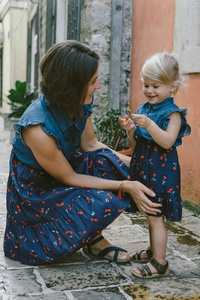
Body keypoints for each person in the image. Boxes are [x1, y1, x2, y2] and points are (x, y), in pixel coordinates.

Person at [4, 40, 161, 265]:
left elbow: (91, 145)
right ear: (72, 86)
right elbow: (69, 178)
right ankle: (90, 237)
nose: (98, 87)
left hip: (65, 170)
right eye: (93, 82)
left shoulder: (79, 101)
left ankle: (91, 238)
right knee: (102, 198)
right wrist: (126, 185)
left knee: (108, 162)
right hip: (36, 191)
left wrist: (140, 164)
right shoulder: (37, 128)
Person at [119, 52, 191, 278]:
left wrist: (149, 124)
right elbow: (136, 144)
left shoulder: (173, 114)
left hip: (161, 172)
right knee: (150, 215)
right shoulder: (144, 108)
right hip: (145, 169)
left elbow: (167, 141)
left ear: (172, 87)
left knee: (155, 216)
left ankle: (160, 263)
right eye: (146, 85)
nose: (149, 90)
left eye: (156, 86)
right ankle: (153, 251)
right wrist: (131, 130)